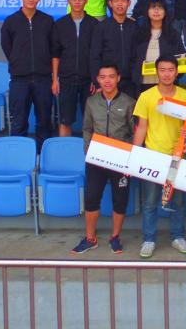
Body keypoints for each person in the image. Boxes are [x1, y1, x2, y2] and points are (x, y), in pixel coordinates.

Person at [133, 56, 186, 258]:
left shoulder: (185, 96)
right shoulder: (146, 96)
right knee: (150, 201)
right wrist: (135, 154)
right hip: (153, 155)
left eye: (170, 70)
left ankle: (178, 236)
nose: (167, 74)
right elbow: (141, 127)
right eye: (162, 70)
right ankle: (149, 239)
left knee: (178, 202)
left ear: (176, 72)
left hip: (177, 156)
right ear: (156, 72)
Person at [71, 62, 135, 255]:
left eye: (111, 76)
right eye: (103, 77)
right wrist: (88, 150)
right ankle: (90, 238)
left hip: (121, 159)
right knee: (92, 198)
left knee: (120, 199)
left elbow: (134, 132)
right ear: (98, 79)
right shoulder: (91, 102)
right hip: (97, 158)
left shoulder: (128, 102)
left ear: (118, 78)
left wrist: (129, 156)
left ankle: (115, 237)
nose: (107, 80)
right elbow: (87, 129)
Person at [0, 0, 55, 150]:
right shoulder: (11, 21)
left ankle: (43, 157)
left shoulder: (47, 21)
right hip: (19, 80)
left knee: (44, 122)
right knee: (18, 122)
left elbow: (53, 48)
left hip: (43, 79)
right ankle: (19, 157)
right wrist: (18, 62)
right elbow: (6, 46)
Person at [50, 0, 99, 137]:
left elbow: (98, 54)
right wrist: (55, 79)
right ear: (68, 0)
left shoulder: (94, 25)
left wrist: (96, 79)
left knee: (91, 121)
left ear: (86, 0)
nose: (77, 1)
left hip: (88, 81)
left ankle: (89, 151)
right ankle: (64, 150)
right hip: (66, 80)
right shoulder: (60, 24)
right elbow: (55, 55)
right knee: (65, 120)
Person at [89, 0, 138, 97]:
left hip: (131, 83)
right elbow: (95, 56)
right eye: (116, 1)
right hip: (108, 82)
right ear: (110, 3)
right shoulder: (101, 27)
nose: (120, 4)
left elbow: (138, 55)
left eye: (123, 1)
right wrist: (97, 83)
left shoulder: (134, 27)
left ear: (129, 3)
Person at [131, 0, 185, 94]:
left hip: (168, 86)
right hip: (143, 84)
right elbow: (132, 58)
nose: (156, 10)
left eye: (160, 8)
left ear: (165, 12)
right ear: (147, 12)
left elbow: (182, 59)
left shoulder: (173, 35)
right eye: (153, 7)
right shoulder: (138, 34)